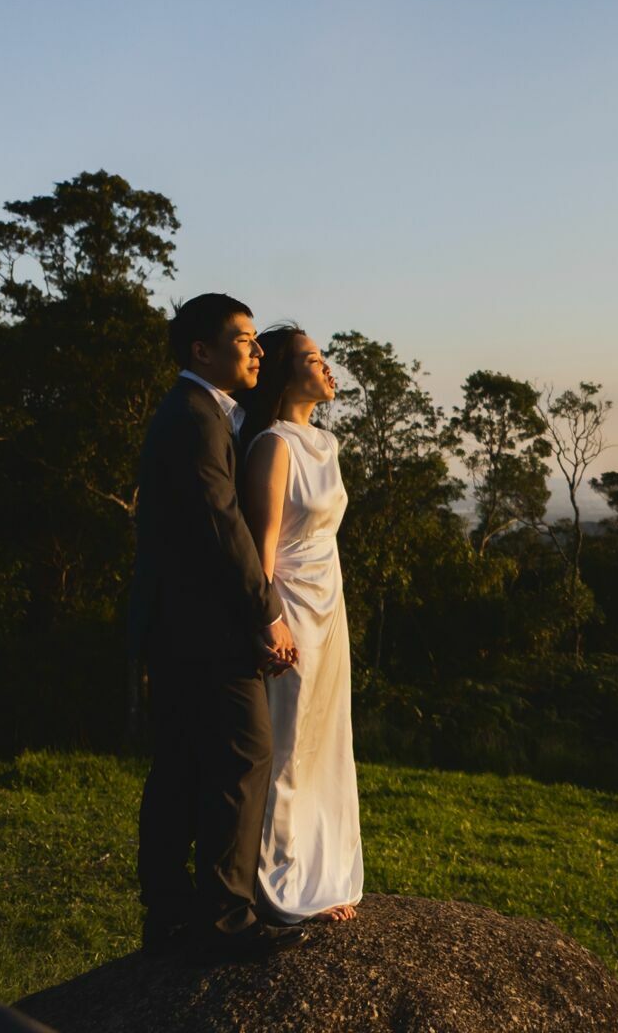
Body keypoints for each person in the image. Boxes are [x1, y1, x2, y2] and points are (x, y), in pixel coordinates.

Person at [128, 293, 308, 963]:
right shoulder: (197, 417)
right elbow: (220, 526)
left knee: (179, 765)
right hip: (203, 630)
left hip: (174, 626)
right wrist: (265, 614)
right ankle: (224, 920)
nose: (258, 350)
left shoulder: (196, 413)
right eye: (244, 339)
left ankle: (170, 915)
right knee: (243, 755)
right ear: (201, 350)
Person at [235, 324, 365, 925]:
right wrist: (266, 623)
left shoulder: (327, 443)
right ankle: (280, 883)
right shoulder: (273, 445)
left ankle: (322, 872)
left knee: (324, 740)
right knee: (286, 744)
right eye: (315, 359)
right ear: (290, 374)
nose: (328, 368)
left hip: (328, 604)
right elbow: (262, 546)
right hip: (289, 608)